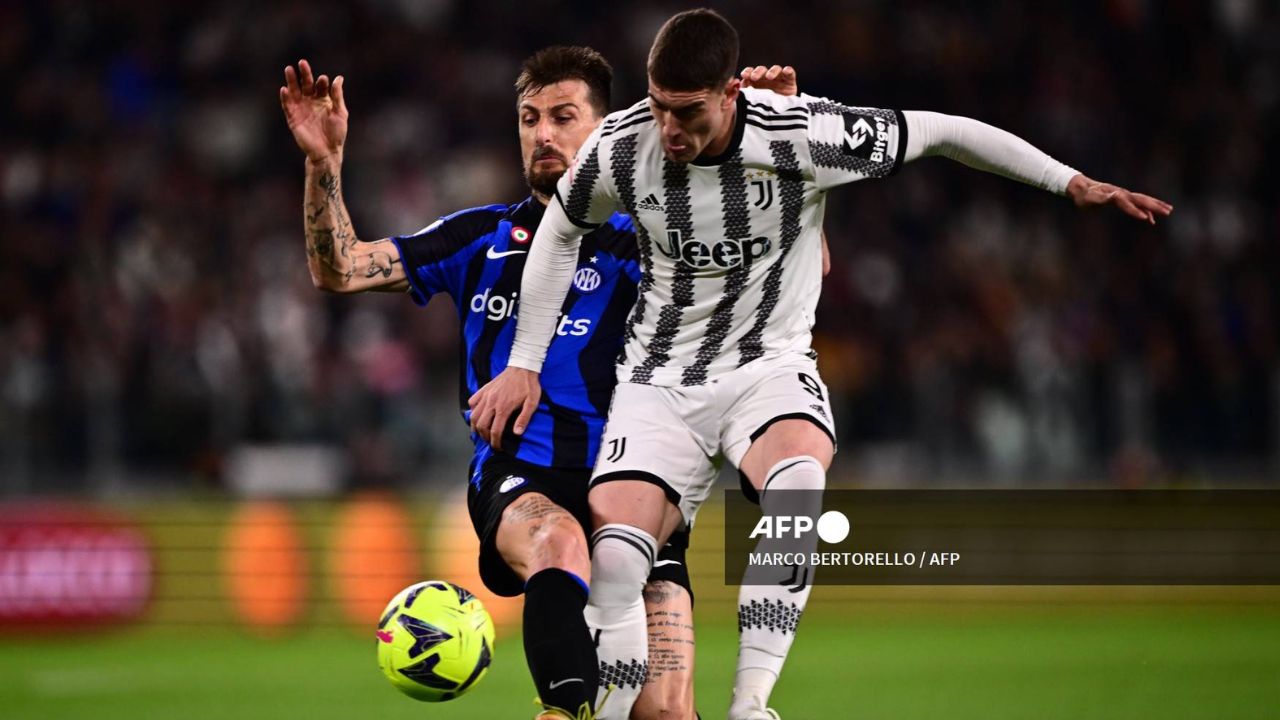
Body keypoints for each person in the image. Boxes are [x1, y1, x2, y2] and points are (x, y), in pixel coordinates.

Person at [467, 9, 1173, 720]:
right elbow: (558, 233)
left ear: (729, 96)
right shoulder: (623, 146)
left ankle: (751, 706)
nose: (669, 130)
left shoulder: (802, 134)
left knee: (797, 489)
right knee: (617, 563)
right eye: (657, 107)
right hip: (659, 378)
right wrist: (525, 363)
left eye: (686, 112)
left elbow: (945, 131)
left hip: (765, 366)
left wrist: (1069, 182)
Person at [278, 48, 803, 720]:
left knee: (667, 712)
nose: (543, 133)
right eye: (529, 118)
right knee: (560, 542)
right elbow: (341, 269)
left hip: (639, 484)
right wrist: (324, 164)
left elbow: (785, 266)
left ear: (606, 128)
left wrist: (778, 134)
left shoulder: (657, 238)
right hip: (522, 475)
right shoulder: (481, 237)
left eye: (562, 116)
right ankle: (564, 711)